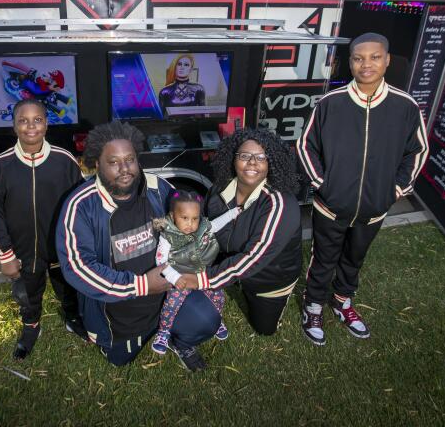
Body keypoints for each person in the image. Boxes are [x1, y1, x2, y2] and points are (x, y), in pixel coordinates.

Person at [296, 32, 429, 346]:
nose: (366, 64)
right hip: (330, 205)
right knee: (323, 257)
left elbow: (418, 150)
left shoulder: (405, 106)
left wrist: (395, 189)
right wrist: (322, 185)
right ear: (350, 62)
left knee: (354, 257)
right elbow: (306, 146)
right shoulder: (331, 103)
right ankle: (313, 305)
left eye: (374, 57)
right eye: (358, 58)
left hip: (374, 208)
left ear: (387, 60)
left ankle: (342, 302)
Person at [56, 121, 221, 372]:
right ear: (97, 164)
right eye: (113, 162)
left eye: (130, 159)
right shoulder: (81, 205)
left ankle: (180, 340)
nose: (124, 169)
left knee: (206, 318)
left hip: (166, 297)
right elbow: (77, 267)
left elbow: (186, 227)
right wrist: (141, 285)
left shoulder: (158, 189)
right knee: (119, 360)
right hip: (117, 313)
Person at [0, 99, 85, 360]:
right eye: (23, 120)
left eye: (37, 120)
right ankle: (31, 328)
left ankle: (72, 318)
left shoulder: (64, 160)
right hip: (23, 250)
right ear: (14, 126)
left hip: (61, 247)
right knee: (27, 295)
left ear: (46, 123)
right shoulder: (0, 166)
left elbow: (81, 203)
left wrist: (81, 243)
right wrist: (5, 255)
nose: (31, 126)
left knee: (69, 288)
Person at [179, 128, 303, 336]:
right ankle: (232, 281)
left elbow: (254, 258)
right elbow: (206, 227)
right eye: (245, 156)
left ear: (271, 162)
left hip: (269, 277)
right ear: (233, 159)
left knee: (264, 329)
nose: (252, 162)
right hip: (231, 259)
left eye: (261, 157)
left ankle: (276, 300)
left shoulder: (280, 204)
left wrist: (203, 279)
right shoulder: (218, 189)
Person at [150, 190, 240, 354]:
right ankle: (163, 332)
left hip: (201, 275)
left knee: (218, 296)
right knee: (172, 304)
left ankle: (217, 319)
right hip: (181, 277)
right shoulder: (168, 235)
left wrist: (233, 213)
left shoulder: (202, 228)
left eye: (194, 218)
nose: (190, 224)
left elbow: (216, 224)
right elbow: (160, 261)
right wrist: (174, 277)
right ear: (173, 215)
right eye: (184, 218)